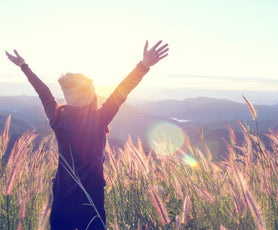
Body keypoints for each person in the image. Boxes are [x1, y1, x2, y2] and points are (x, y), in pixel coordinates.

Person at [5, 40, 169, 230]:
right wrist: (143, 66)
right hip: (92, 201)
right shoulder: (99, 120)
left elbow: (44, 92)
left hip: (62, 200)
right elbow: (120, 93)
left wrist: (24, 66)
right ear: (91, 96)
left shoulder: (57, 119)